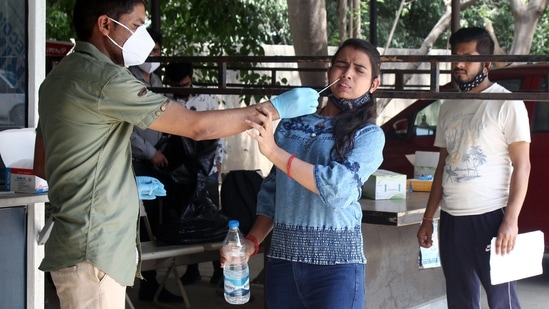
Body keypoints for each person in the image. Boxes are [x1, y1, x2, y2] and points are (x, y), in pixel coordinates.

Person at [32, 0, 319, 307]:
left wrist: (116, 188)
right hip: (94, 248)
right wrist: (271, 110)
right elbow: (195, 127)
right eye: (136, 25)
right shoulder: (105, 79)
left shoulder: (58, 78)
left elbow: (42, 164)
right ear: (105, 25)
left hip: (74, 243)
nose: (144, 35)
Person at [222, 38, 385, 309]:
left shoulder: (368, 135)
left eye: (359, 69)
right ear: (329, 72)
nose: (347, 73)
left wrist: (274, 152)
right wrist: (251, 242)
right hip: (282, 263)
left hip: (336, 268)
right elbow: (274, 194)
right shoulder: (291, 125)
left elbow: (338, 189)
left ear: (374, 84)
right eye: (341, 65)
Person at [416, 27, 531, 309]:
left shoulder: (507, 103)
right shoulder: (448, 106)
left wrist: (511, 222)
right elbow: (442, 166)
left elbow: (523, 166)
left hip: (490, 218)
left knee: (501, 300)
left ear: (487, 64)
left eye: (467, 57)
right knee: (460, 300)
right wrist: (429, 218)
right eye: (456, 56)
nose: (459, 64)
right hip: (452, 220)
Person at [127, 28, 183, 302]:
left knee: (155, 222)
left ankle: (150, 283)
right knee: (138, 223)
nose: (154, 56)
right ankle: (133, 281)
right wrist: (150, 153)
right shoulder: (126, 79)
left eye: (157, 51)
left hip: (155, 161)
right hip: (136, 163)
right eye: (149, 51)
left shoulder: (158, 79)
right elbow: (127, 130)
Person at [164, 61, 225, 285]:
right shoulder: (167, 101)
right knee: (187, 218)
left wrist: (219, 160)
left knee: (212, 216)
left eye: (187, 83)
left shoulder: (206, 99)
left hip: (207, 166)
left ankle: (219, 268)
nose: (184, 88)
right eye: (179, 85)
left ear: (191, 77)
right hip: (181, 170)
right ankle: (192, 268)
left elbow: (220, 129)